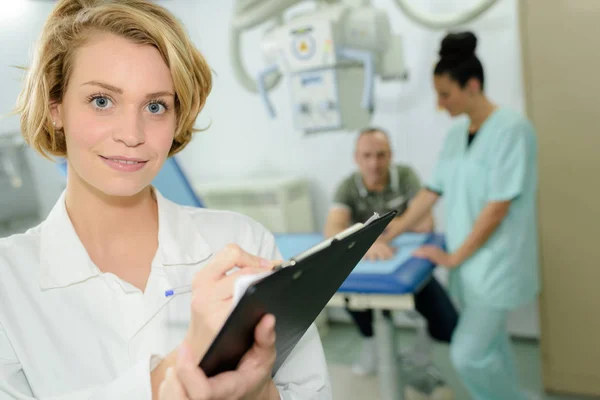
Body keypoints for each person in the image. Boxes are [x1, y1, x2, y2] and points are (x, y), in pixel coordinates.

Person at [0, 1, 331, 399]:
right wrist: (174, 375)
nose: (132, 133)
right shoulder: (9, 280)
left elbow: (310, 393)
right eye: (102, 101)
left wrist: (256, 389)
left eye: (155, 106)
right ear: (56, 108)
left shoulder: (243, 242)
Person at [379, 31, 539, 400]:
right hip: (469, 267)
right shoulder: (455, 136)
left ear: (472, 85)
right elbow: (431, 191)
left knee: (467, 354)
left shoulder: (512, 130)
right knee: (493, 348)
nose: (439, 103)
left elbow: (498, 206)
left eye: (445, 94)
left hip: (497, 264)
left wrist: (452, 257)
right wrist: (393, 232)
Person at [323, 127, 458, 378]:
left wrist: (372, 232)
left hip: (409, 265)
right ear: (356, 158)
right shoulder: (347, 187)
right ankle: (371, 343)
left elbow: (426, 224)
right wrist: (370, 243)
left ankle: (422, 345)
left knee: (448, 326)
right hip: (368, 267)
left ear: (390, 156)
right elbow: (332, 228)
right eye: (367, 156)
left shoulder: (405, 177)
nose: (374, 163)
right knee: (348, 291)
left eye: (380, 155)